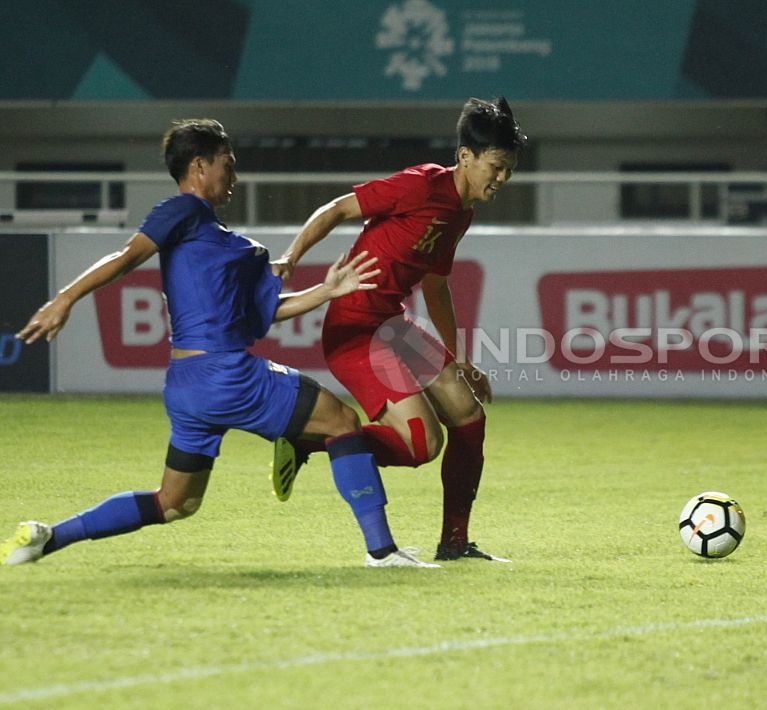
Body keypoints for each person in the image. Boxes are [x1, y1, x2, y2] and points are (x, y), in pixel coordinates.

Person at [1, 119, 441, 570]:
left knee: (174, 503)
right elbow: (127, 256)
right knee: (343, 421)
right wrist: (65, 298)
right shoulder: (184, 211)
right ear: (199, 166)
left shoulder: (222, 240)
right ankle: (382, 551)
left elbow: (263, 314)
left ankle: (49, 537)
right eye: (227, 165)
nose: (234, 176)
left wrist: (326, 292)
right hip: (225, 375)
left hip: (188, 387)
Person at [271, 97, 526, 563]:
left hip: (392, 325)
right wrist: (291, 257)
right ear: (465, 157)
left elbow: (436, 285)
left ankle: (454, 543)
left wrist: (458, 358)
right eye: (497, 166)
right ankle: (311, 439)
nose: (503, 178)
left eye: (510, 168)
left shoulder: (461, 213)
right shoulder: (421, 184)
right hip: (356, 328)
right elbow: (335, 209)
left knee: (469, 415)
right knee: (423, 445)